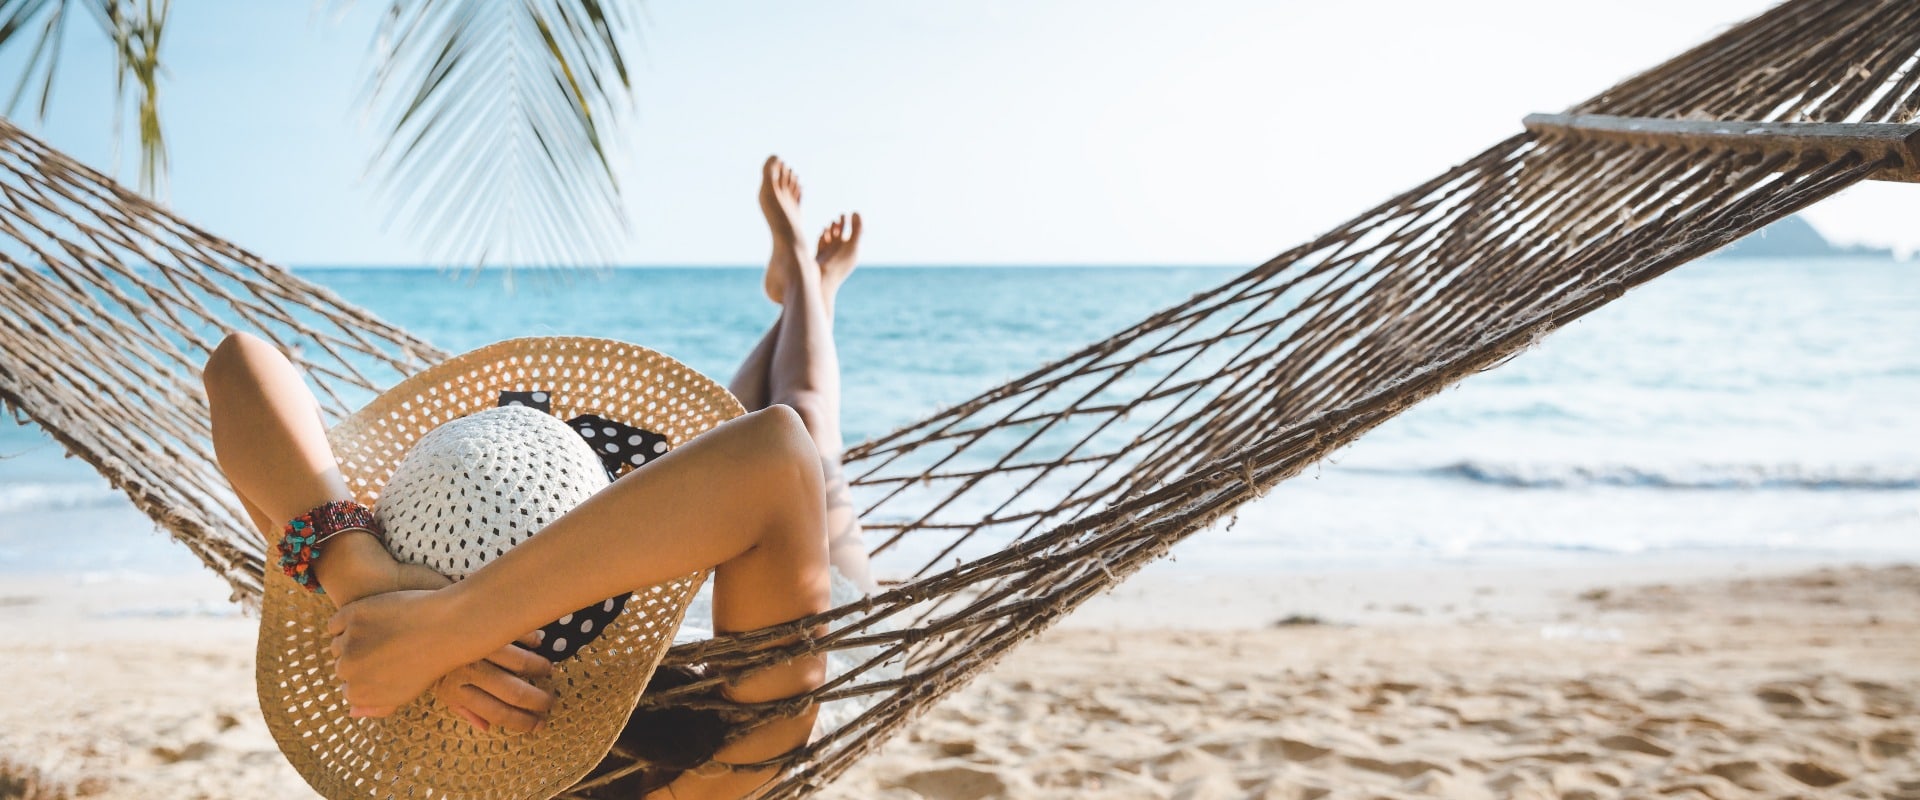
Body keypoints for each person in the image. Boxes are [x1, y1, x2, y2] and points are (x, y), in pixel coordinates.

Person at [202, 156, 869, 800]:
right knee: (810, 419)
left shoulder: (372, 653)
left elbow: (237, 369)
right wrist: (441, 630)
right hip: (780, 600)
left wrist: (363, 579)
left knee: (759, 416)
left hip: (659, 539)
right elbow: (779, 453)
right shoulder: (717, 771)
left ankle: (799, 290)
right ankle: (810, 285)